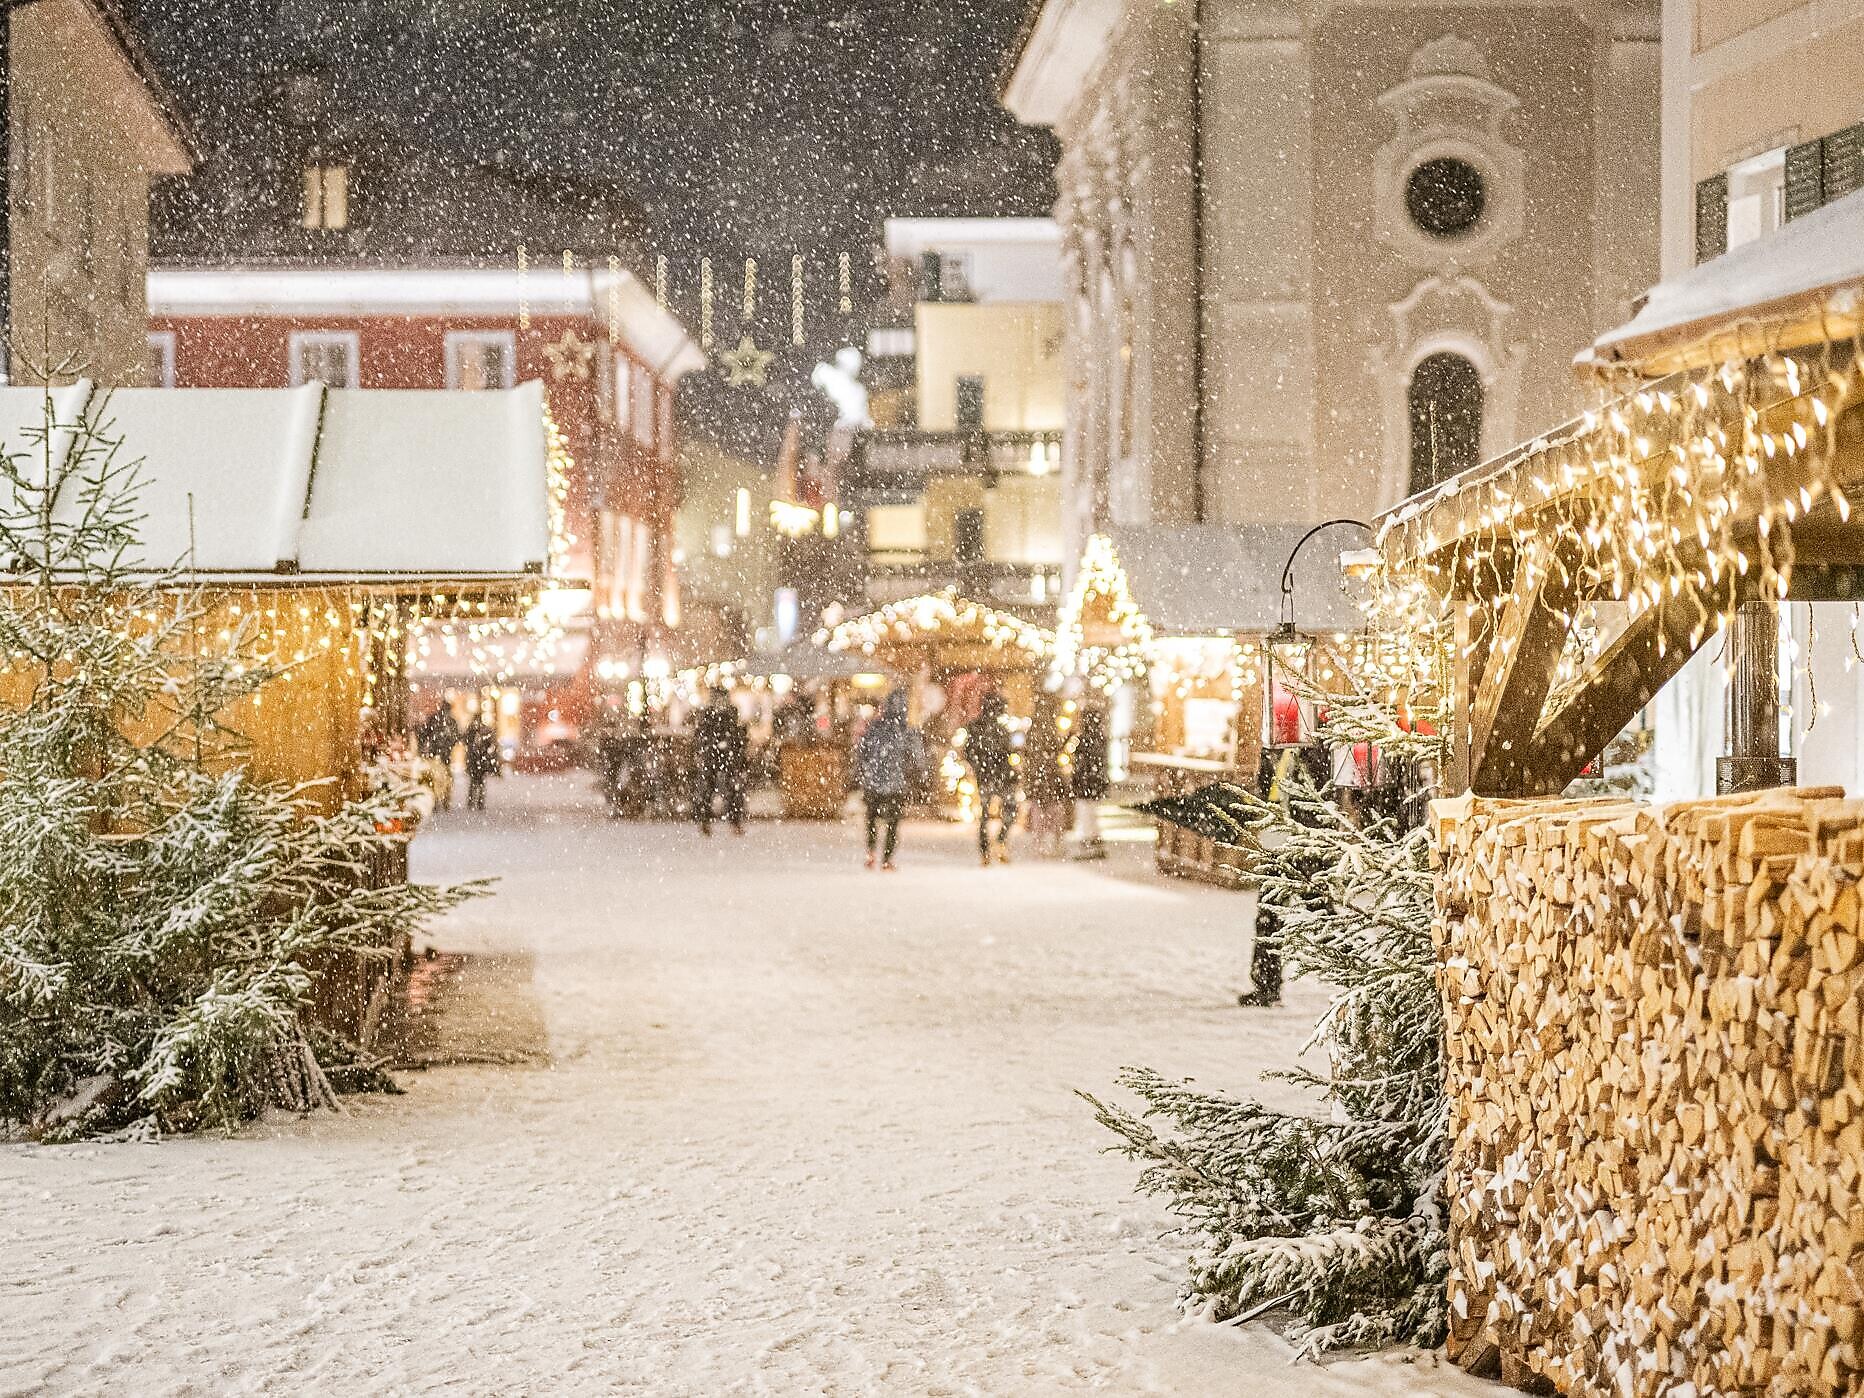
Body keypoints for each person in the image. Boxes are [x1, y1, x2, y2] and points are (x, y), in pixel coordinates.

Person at [855, 690, 923, 870]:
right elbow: (918, 759)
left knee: (871, 819)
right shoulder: (908, 731)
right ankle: (887, 858)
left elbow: (862, 753)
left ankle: (871, 852)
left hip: (873, 781)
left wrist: (863, 771)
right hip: (896, 783)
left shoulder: (874, 727)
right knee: (893, 822)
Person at [962, 691, 1018, 866]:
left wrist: (978, 766)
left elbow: (969, 752)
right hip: (997, 775)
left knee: (987, 814)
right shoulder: (997, 729)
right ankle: (995, 845)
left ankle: (988, 849)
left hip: (988, 775)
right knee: (1004, 811)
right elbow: (1006, 751)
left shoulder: (977, 727)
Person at [692, 687, 749, 836]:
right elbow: (736, 736)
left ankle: (716, 821)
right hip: (719, 756)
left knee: (722, 789)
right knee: (720, 789)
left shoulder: (719, 714)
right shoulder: (719, 714)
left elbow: (701, 735)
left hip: (720, 756)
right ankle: (713, 822)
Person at [1023, 690, 1072, 859]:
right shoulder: (1048, 726)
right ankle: (1052, 843)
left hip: (1038, 774)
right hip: (1049, 774)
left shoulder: (1034, 727)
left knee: (1040, 809)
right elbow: (1054, 750)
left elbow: (1030, 751)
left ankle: (1041, 844)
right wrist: (1067, 740)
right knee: (1053, 810)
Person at [1069, 699, 1110, 860]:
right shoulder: (1099, 738)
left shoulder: (1083, 739)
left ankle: (1088, 844)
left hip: (1085, 782)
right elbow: (1101, 762)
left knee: (1085, 813)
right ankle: (1094, 841)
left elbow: (1080, 763)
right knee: (1091, 813)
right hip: (1094, 781)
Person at [415, 702, 461, 810]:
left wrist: (425, 747)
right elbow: (455, 737)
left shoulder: (435, 719)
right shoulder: (450, 721)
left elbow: (424, 734)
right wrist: (449, 745)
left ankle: (436, 800)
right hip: (445, 755)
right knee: (446, 778)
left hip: (435, 754)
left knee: (435, 777)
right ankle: (445, 799)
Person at [462, 712, 500, 812]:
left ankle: (475, 801)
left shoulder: (474, 730)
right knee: (478, 782)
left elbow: (465, 741)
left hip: (476, 760)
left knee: (475, 782)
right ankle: (478, 802)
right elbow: (491, 744)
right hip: (479, 760)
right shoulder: (479, 730)